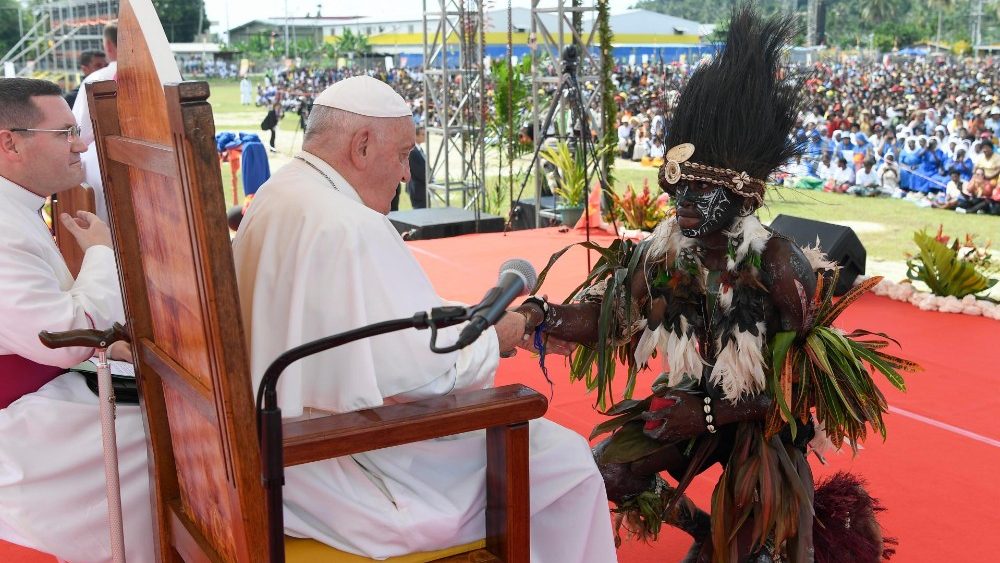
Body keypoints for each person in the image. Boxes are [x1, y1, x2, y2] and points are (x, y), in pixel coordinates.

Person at [515, 7, 911, 561]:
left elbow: (796, 392)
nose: (685, 206)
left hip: (764, 425)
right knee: (608, 468)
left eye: (704, 193)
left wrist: (704, 416)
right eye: (681, 191)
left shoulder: (780, 265)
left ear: (745, 198)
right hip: (694, 399)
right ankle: (702, 527)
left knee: (750, 554)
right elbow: (613, 320)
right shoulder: (664, 251)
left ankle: (762, 535)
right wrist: (538, 316)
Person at [231, 76, 616, 562]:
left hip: (281, 456)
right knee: (567, 462)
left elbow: (381, 334)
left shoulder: (277, 193)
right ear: (362, 145)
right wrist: (501, 334)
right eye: (402, 156)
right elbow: (433, 374)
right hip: (345, 472)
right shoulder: (352, 226)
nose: (406, 176)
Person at [0, 77, 154, 562]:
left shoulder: (15, 208)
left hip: (37, 389)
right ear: (9, 142)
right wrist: (103, 256)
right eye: (64, 133)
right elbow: (61, 339)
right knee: (173, 437)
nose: (80, 144)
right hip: (19, 417)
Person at [72, 24, 118, 222]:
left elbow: (79, 134)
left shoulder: (97, 79)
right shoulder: (158, 76)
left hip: (104, 168)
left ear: (108, 46)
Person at [406, 125, 427, 209]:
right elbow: (416, 171)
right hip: (417, 189)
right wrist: (428, 179)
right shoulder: (412, 151)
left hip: (422, 188)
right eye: (423, 134)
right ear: (416, 136)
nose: (425, 136)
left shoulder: (419, 149)